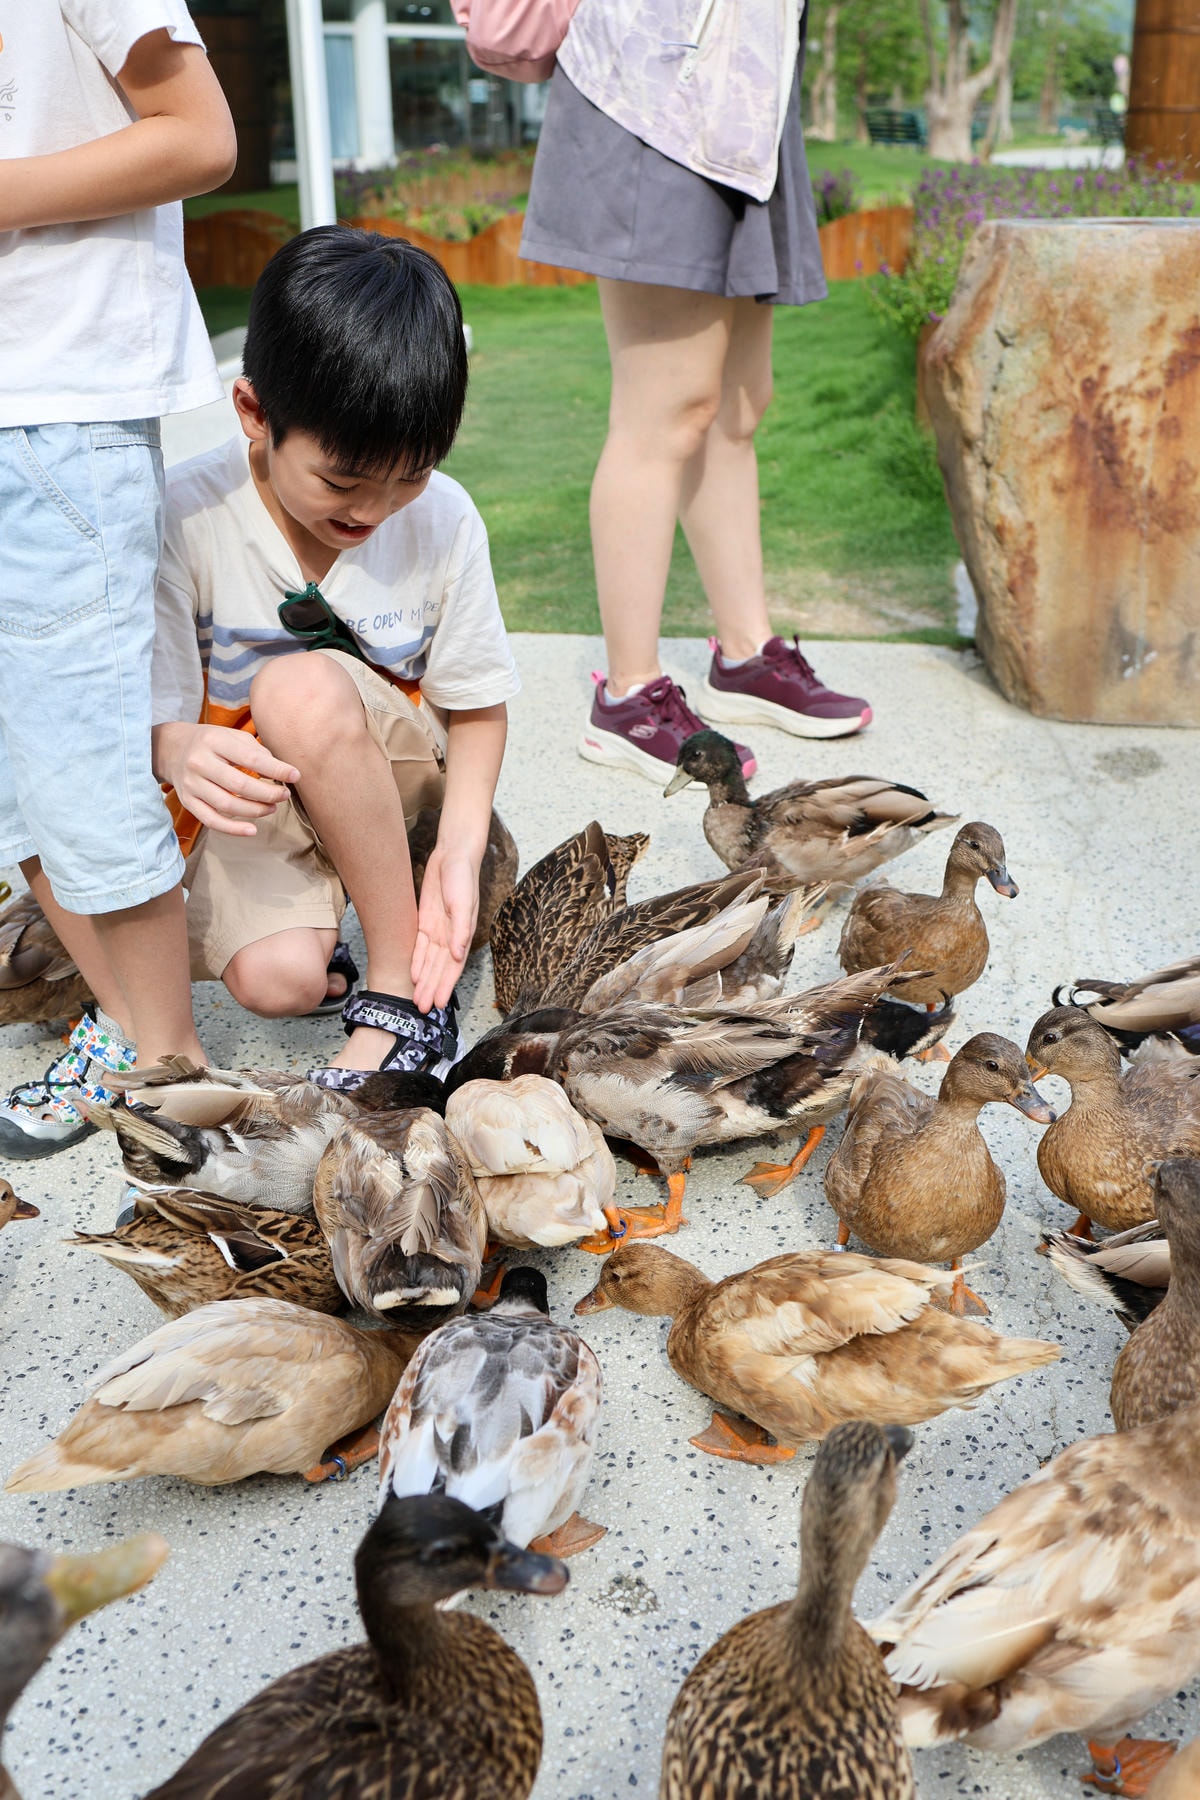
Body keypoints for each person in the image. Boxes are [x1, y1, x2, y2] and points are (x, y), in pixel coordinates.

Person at [151, 226, 518, 1089]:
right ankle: (340, 947)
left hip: (393, 778)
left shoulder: (446, 517)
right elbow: (162, 718)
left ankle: (402, 998)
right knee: (276, 985)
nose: (377, 509)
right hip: (271, 792)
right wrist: (174, 746)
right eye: (344, 481)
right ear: (254, 412)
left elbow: (477, 707)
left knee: (300, 687)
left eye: (411, 476)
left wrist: (460, 850)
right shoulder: (187, 516)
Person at [520, 0, 872, 783]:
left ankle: (745, 654)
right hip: (655, 91)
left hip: (743, 91)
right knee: (665, 409)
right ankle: (628, 696)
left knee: (738, 404)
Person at [0, 4, 237, 1157]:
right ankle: (131, 1029)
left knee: (87, 771)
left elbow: (199, 135)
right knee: (21, 786)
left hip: (52, 413)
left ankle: (173, 1067)